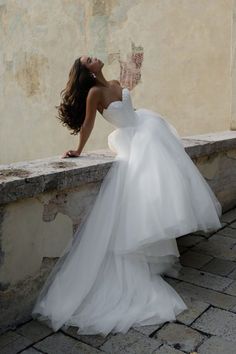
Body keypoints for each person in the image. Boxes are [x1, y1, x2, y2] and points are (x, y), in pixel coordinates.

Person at [31, 56, 222, 336]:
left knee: (159, 191)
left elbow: (130, 111)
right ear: (87, 70)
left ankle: (155, 253)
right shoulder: (95, 93)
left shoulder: (117, 83)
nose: (93, 56)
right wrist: (78, 150)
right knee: (145, 195)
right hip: (134, 142)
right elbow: (87, 124)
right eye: (88, 59)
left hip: (146, 131)